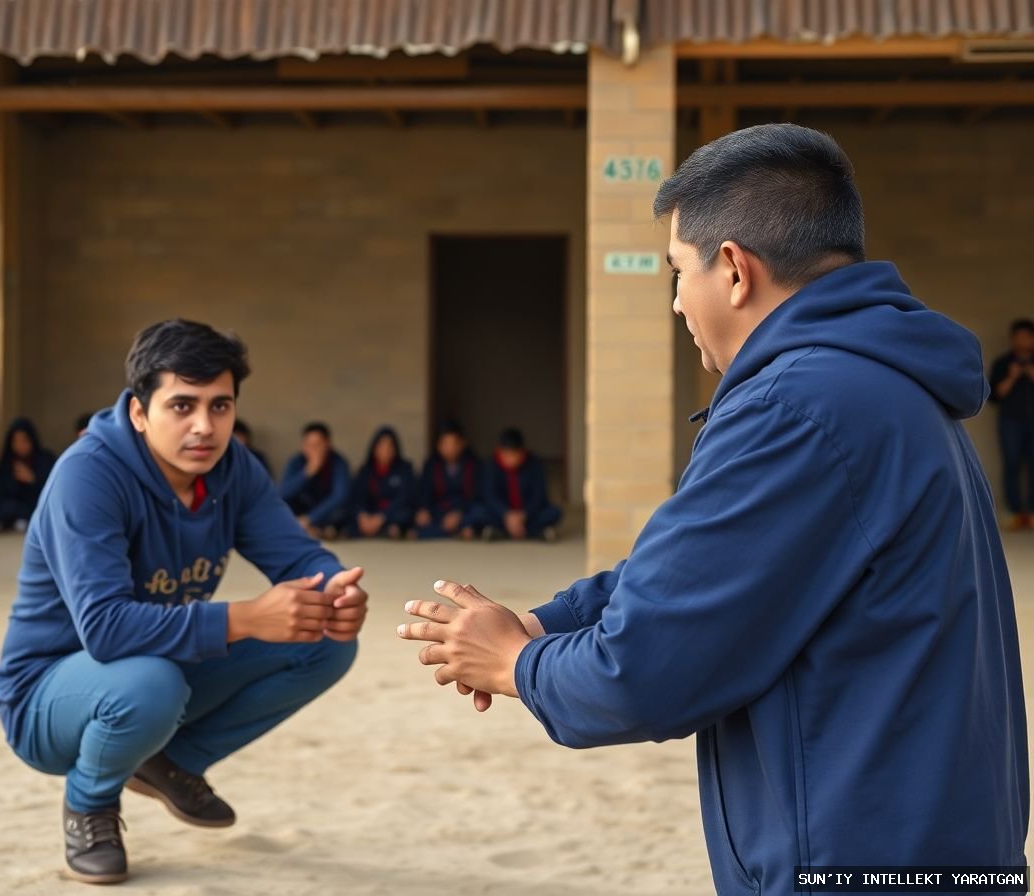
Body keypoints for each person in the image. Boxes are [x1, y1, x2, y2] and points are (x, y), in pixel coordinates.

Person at [398, 124, 1027, 891]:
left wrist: (516, 663)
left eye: (675, 271)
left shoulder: (797, 405)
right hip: (930, 843)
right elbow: (712, 569)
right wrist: (547, 623)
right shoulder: (883, 386)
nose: (674, 301)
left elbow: (644, 674)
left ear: (732, 269)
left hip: (854, 857)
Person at [0, 319, 367, 885]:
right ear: (140, 412)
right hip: (47, 696)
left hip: (156, 669)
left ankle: (171, 762)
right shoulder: (87, 476)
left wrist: (335, 590)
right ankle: (90, 804)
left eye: (220, 406)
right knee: (150, 685)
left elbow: (297, 556)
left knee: (324, 643)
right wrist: (245, 618)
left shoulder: (233, 468)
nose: (204, 427)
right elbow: (106, 630)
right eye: (182, 406)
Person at [988, 319, 1034, 529]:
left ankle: (1032, 513)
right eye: (1017, 336)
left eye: (1025, 336)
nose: (1021, 340)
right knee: (1012, 464)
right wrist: (1012, 376)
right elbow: (994, 395)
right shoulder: (1003, 362)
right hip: (1010, 421)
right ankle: (1013, 513)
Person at [483, 427, 561, 542]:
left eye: (514, 455)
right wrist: (506, 514)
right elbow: (490, 495)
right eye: (507, 455)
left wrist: (524, 515)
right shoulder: (491, 465)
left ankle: (503, 532)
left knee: (554, 512)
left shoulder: (535, 464)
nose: (510, 460)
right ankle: (535, 532)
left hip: (527, 513)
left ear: (522, 452)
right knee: (480, 512)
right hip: (503, 514)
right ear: (500, 452)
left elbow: (539, 495)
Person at [279, 422, 350, 539]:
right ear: (303, 446)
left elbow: (340, 495)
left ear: (328, 444)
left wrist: (310, 518)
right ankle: (314, 529)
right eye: (309, 445)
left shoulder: (338, 462)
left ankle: (313, 528)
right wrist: (307, 473)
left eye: (317, 445)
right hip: (302, 508)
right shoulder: (296, 461)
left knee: (343, 511)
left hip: (324, 511)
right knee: (282, 509)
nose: (313, 450)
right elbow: (282, 493)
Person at [414, 422, 485, 540]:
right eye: (445, 444)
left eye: (453, 444)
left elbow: (477, 495)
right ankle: (460, 532)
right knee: (420, 519)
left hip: (464, 509)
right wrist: (423, 508)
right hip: (440, 510)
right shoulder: (431, 464)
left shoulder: (474, 464)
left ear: (462, 444)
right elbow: (425, 492)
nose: (449, 448)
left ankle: (456, 530)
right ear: (438, 445)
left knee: (481, 512)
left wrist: (459, 514)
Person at [349, 425, 415, 539]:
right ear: (374, 448)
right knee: (347, 514)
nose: (386, 449)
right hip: (371, 513)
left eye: (390, 446)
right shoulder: (365, 470)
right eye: (382, 445)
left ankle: (389, 530)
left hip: (391, 514)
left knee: (406, 514)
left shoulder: (405, 468)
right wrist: (362, 516)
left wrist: (382, 517)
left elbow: (404, 498)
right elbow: (358, 497)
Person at [0, 417, 56, 531]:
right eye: (15, 441)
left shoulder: (45, 458)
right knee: (7, 507)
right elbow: (2, 490)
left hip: (37, 503)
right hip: (16, 507)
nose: (20, 445)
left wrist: (32, 479)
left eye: (24, 441)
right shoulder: (7, 461)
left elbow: (53, 489)